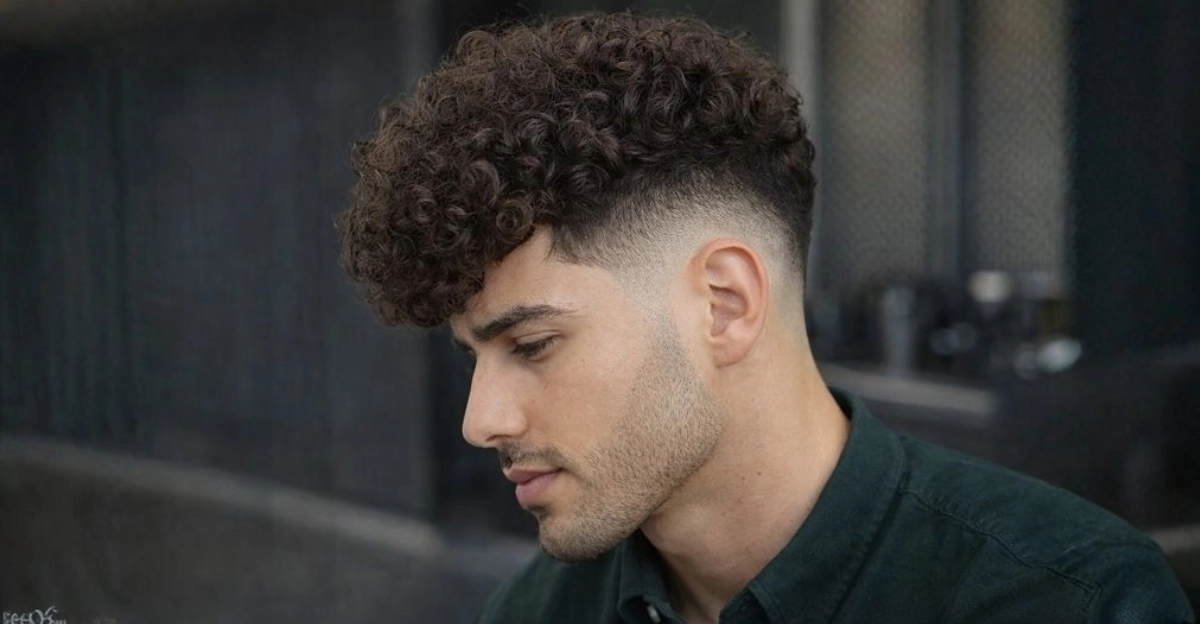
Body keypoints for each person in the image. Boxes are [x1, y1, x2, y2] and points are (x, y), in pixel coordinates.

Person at [336, 12, 1194, 624]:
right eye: (472, 358)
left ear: (724, 305)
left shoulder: (1067, 600)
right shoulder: (537, 612)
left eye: (532, 344)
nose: (482, 420)